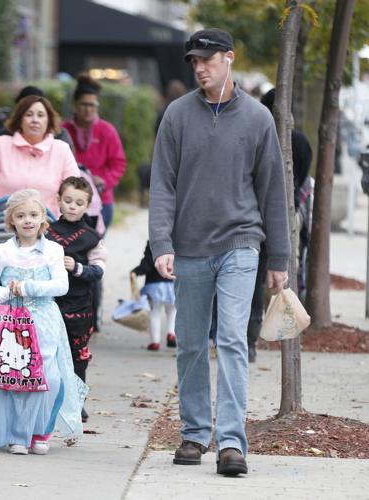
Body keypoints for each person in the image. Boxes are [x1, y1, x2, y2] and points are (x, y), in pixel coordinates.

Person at [149, 28, 290, 476]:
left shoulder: (257, 119)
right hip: (189, 246)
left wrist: (280, 259)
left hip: (241, 243)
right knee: (190, 343)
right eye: (193, 61)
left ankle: (231, 442)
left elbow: (273, 192)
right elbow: (162, 186)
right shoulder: (176, 115)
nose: (199, 67)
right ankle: (194, 434)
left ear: (229, 58)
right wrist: (161, 244)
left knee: (231, 339)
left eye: (207, 59)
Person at [0, 189, 85, 455]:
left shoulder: (53, 250)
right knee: (17, 376)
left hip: (44, 320)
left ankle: (42, 431)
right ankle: (17, 434)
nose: (28, 220)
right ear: (11, 220)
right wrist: (1, 292)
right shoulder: (2, 251)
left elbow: (61, 285)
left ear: (43, 220)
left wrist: (27, 287)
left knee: (50, 377)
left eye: (34, 215)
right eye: (21, 215)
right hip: (13, 323)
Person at [243, 88, 314, 362]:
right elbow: (303, 178)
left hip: (253, 219)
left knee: (252, 282)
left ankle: (247, 338)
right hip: (285, 215)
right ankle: (260, 334)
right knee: (277, 274)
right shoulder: (298, 142)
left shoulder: (255, 137)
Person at [46, 176, 106, 422]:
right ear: (58, 202)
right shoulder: (45, 232)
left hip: (78, 307)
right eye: (68, 201)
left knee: (77, 354)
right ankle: (48, 398)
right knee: (48, 353)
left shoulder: (92, 237)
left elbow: (98, 271)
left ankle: (76, 400)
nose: (73, 206)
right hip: (48, 304)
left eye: (79, 202)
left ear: (87, 205)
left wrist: (77, 267)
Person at [0, 95, 80, 220]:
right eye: (29, 114)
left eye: (41, 115)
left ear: (48, 120)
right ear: (20, 119)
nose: (35, 120)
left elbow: (75, 189)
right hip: (3, 228)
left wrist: (64, 222)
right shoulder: (1, 144)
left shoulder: (62, 149)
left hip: (49, 228)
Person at [62, 74, 126, 229]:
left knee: (95, 250)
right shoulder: (64, 131)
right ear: (75, 105)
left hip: (101, 201)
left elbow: (118, 164)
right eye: (84, 104)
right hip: (70, 201)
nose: (88, 109)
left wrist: (104, 180)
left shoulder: (107, 131)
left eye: (93, 105)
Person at [0, 85, 76, 152]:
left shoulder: (60, 137)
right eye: (28, 114)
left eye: (39, 114)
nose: (34, 120)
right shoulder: (4, 138)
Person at [132, 241, 176, 351]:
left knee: (155, 313)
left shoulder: (154, 242)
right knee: (172, 311)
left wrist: (136, 272)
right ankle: (171, 333)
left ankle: (154, 342)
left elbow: (147, 263)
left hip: (154, 285)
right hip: (173, 284)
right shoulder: (178, 239)